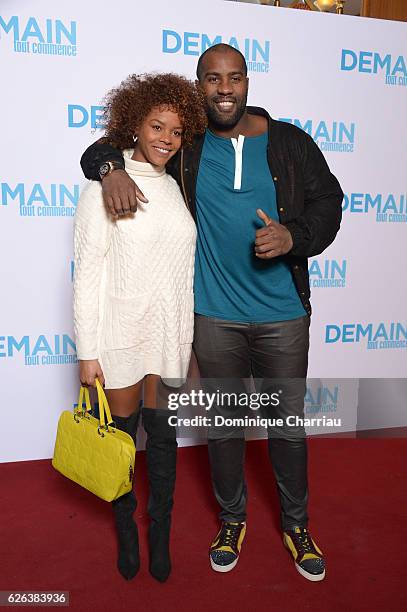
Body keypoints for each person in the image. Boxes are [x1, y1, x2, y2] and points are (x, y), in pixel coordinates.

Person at [80, 44, 343, 582]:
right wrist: (108, 170)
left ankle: (296, 526)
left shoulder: (289, 142)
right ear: (199, 86)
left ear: (247, 81)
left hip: (283, 315)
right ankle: (231, 520)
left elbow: (330, 203)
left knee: (286, 427)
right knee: (224, 427)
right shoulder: (187, 144)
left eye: (235, 78)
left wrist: (295, 236)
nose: (224, 89)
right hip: (215, 318)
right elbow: (110, 146)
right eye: (212, 79)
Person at [73, 72, 206, 582]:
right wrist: (89, 352)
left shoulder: (174, 186)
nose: (165, 139)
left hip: (169, 338)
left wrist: (187, 342)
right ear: (135, 123)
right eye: (156, 126)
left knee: (165, 440)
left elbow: (182, 273)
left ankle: (160, 531)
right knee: (123, 442)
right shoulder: (104, 182)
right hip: (122, 336)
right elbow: (87, 276)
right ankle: (126, 529)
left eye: (175, 130)